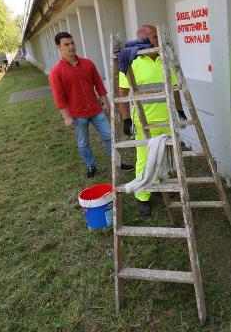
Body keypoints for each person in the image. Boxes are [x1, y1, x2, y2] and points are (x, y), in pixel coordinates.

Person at [118, 25, 186, 216]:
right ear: (143, 40)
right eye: (155, 36)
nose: (159, 39)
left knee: (163, 156)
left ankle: (157, 186)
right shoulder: (131, 63)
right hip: (143, 122)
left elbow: (174, 88)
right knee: (144, 159)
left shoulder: (164, 60)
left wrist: (180, 110)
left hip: (166, 121)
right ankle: (142, 197)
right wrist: (126, 120)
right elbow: (121, 93)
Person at [49, 31, 134, 178]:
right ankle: (91, 165)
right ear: (59, 47)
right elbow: (59, 97)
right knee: (83, 143)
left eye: (72, 43)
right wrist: (66, 117)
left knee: (109, 136)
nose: (71, 47)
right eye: (66, 44)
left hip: (96, 110)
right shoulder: (56, 72)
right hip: (76, 114)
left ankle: (118, 163)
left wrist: (105, 101)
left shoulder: (88, 64)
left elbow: (98, 84)